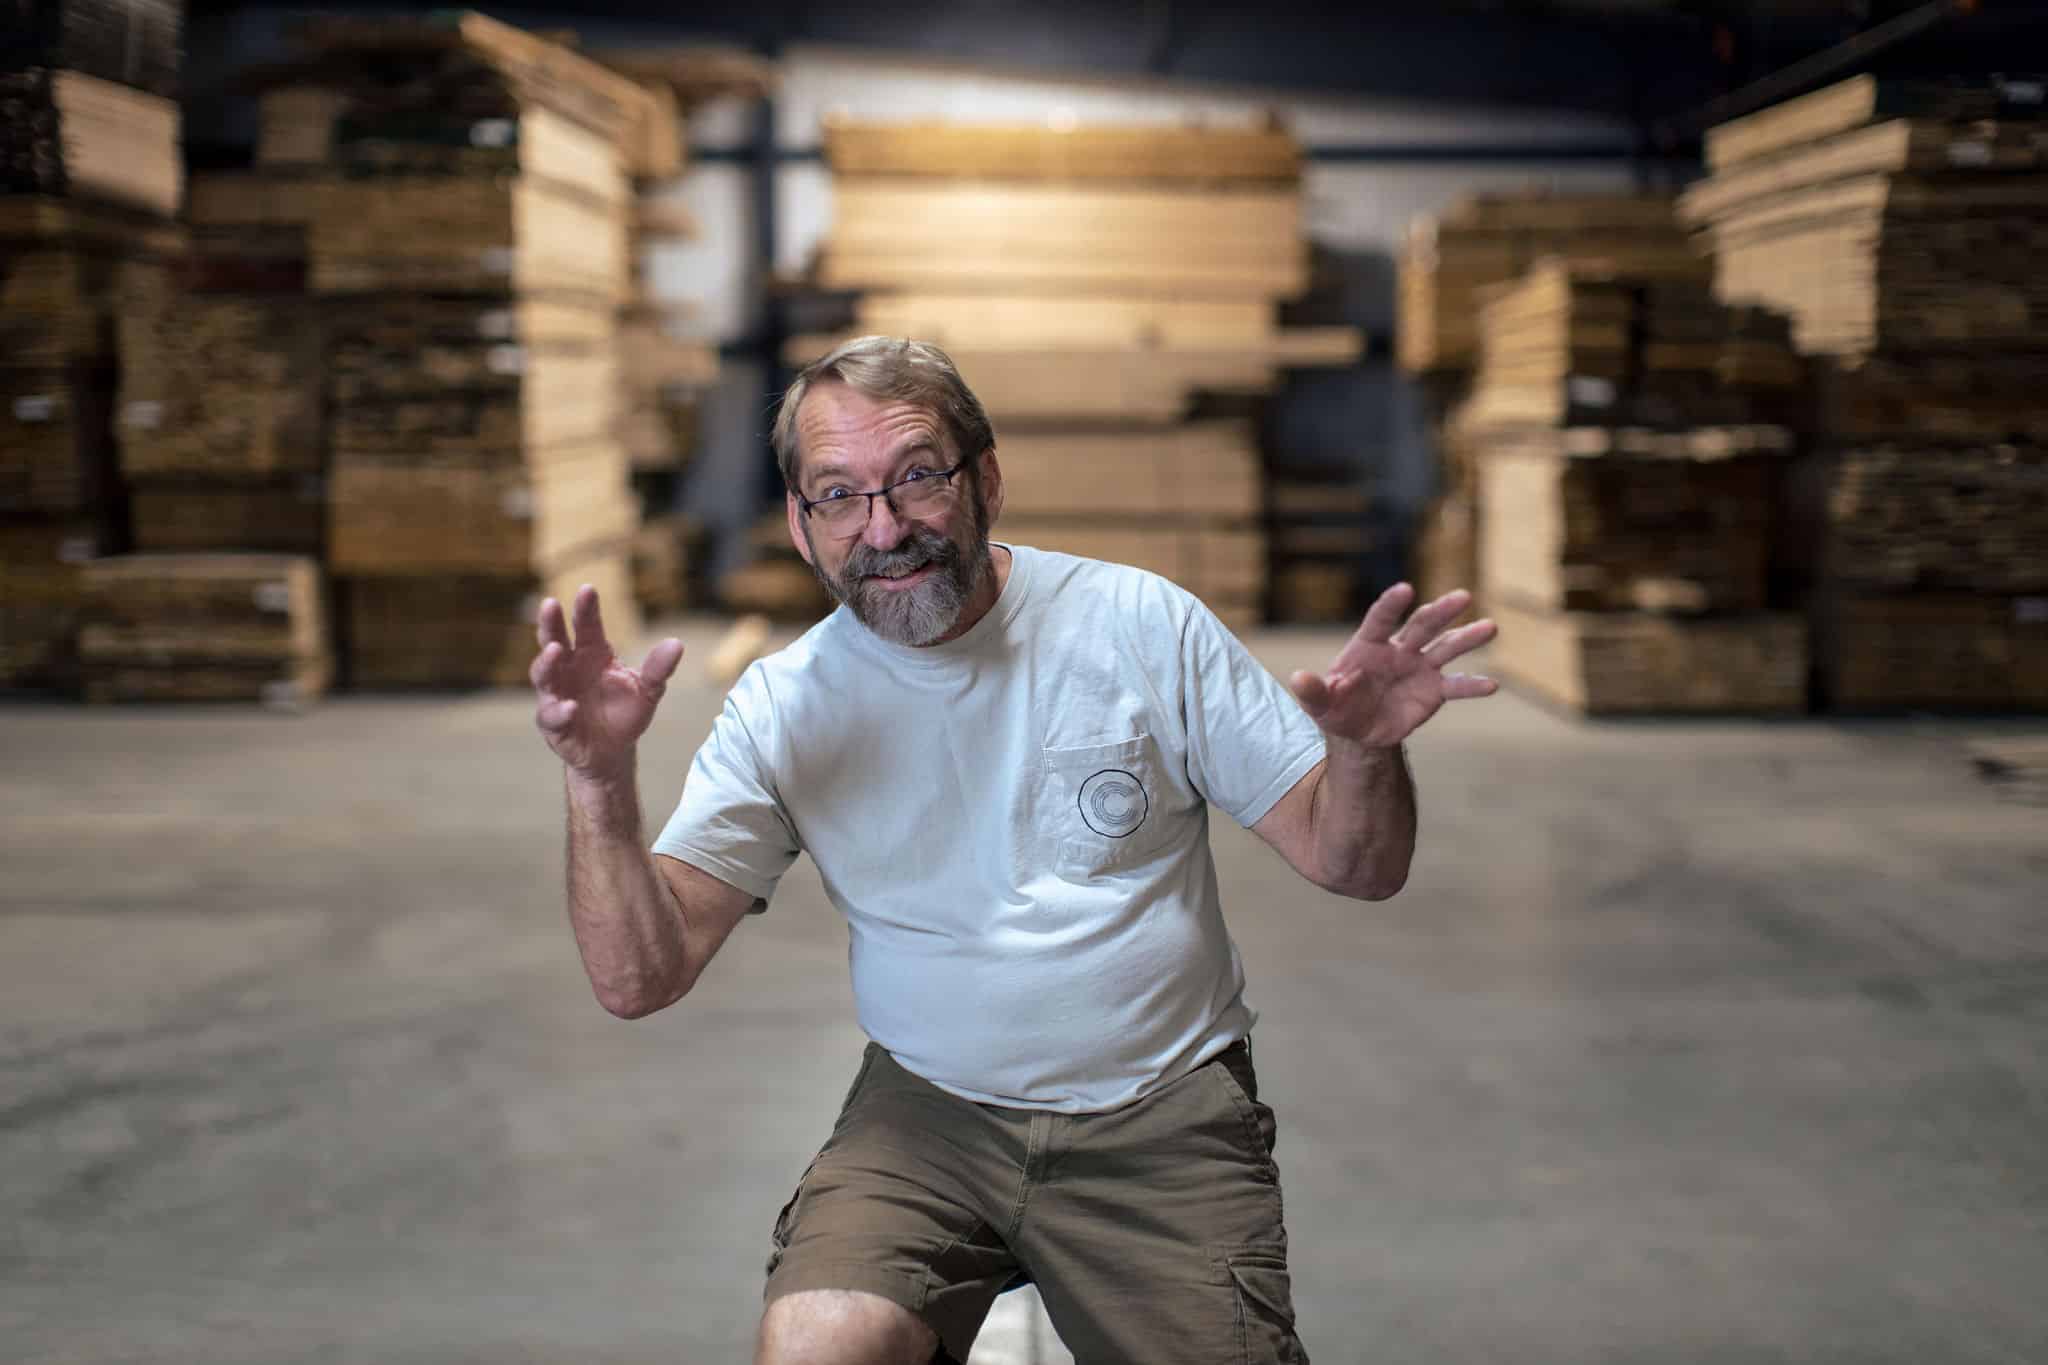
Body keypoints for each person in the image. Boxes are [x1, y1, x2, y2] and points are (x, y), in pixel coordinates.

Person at [530, 336, 1498, 1365]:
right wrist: (598, 779)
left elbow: (1355, 865)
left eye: (917, 477)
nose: (884, 528)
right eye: (840, 495)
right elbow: (639, 976)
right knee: (817, 1346)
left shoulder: (1138, 624)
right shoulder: (784, 703)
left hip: (1159, 1113)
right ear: (801, 526)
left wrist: (1361, 754)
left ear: (985, 481)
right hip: (928, 1117)